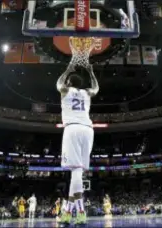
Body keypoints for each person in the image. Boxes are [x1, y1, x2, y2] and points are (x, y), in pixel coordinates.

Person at [56, 63, 99, 225]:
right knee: (77, 173)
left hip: (72, 129)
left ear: (69, 83)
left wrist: (67, 69)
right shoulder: (86, 93)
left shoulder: (65, 90)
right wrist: (91, 72)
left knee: (75, 171)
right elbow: (96, 89)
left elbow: (58, 84)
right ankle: (68, 212)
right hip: (88, 129)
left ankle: (80, 213)